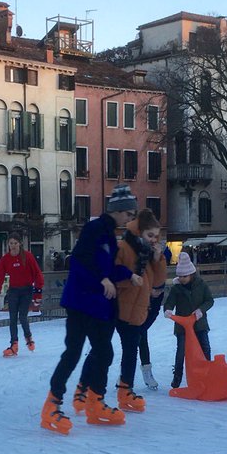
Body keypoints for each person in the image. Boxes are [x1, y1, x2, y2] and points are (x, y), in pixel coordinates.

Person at [40, 185, 141, 434]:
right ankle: (51, 405)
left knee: (104, 353)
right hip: (80, 303)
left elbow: (107, 269)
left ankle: (95, 403)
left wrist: (129, 275)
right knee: (73, 353)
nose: (131, 218)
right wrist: (102, 280)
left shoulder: (110, 236)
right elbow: (80, 261)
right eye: (129, 213)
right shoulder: (95, 229)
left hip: (99, 307)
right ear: (118, 211)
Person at [114, 209, 167, 411]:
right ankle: (117, 391)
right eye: (150, 235)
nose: (154, 239)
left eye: (156, 236)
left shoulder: (148, 252)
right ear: (139, 232)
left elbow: (159, 281)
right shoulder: (124, 247)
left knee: (130, 350)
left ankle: (125, 390)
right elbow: (114, 273)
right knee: (125, 350)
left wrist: (158, 259)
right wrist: (131, 278)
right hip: (122, 309)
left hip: (141, 309)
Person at [164, 251, 215, 390]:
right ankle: (177, 377)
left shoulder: (202, 285)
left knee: (205, 348)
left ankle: (207, 375)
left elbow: (210, 301)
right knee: (181, 352)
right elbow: (169, 302)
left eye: (184, 276)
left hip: (200, 324)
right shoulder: (176, 289)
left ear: (191, 274)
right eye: (179, 276)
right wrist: (168, 310)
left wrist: (201, 311)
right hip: (182, 327)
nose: (181, 278)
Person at [0, 234, 44, 357]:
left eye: (15, 243)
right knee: (13, 318)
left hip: (27, 290)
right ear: (8, 245)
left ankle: (28, 338)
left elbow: (37, 273)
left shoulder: (28, 257)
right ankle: (14, 344)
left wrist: (38, 292)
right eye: (11, 243)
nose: (13, 246)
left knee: (23, 316)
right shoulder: (5, 259)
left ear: (19, 244)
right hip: (14, 291)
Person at [138, 234, 170, 390]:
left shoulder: (161, 264)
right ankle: (135, 374)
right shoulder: (141, 262)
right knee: (137, 338)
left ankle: (132, 374)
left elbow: (160, 284)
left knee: (140, 336)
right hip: (137, 305)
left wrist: (157, 291)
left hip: (151, 306)